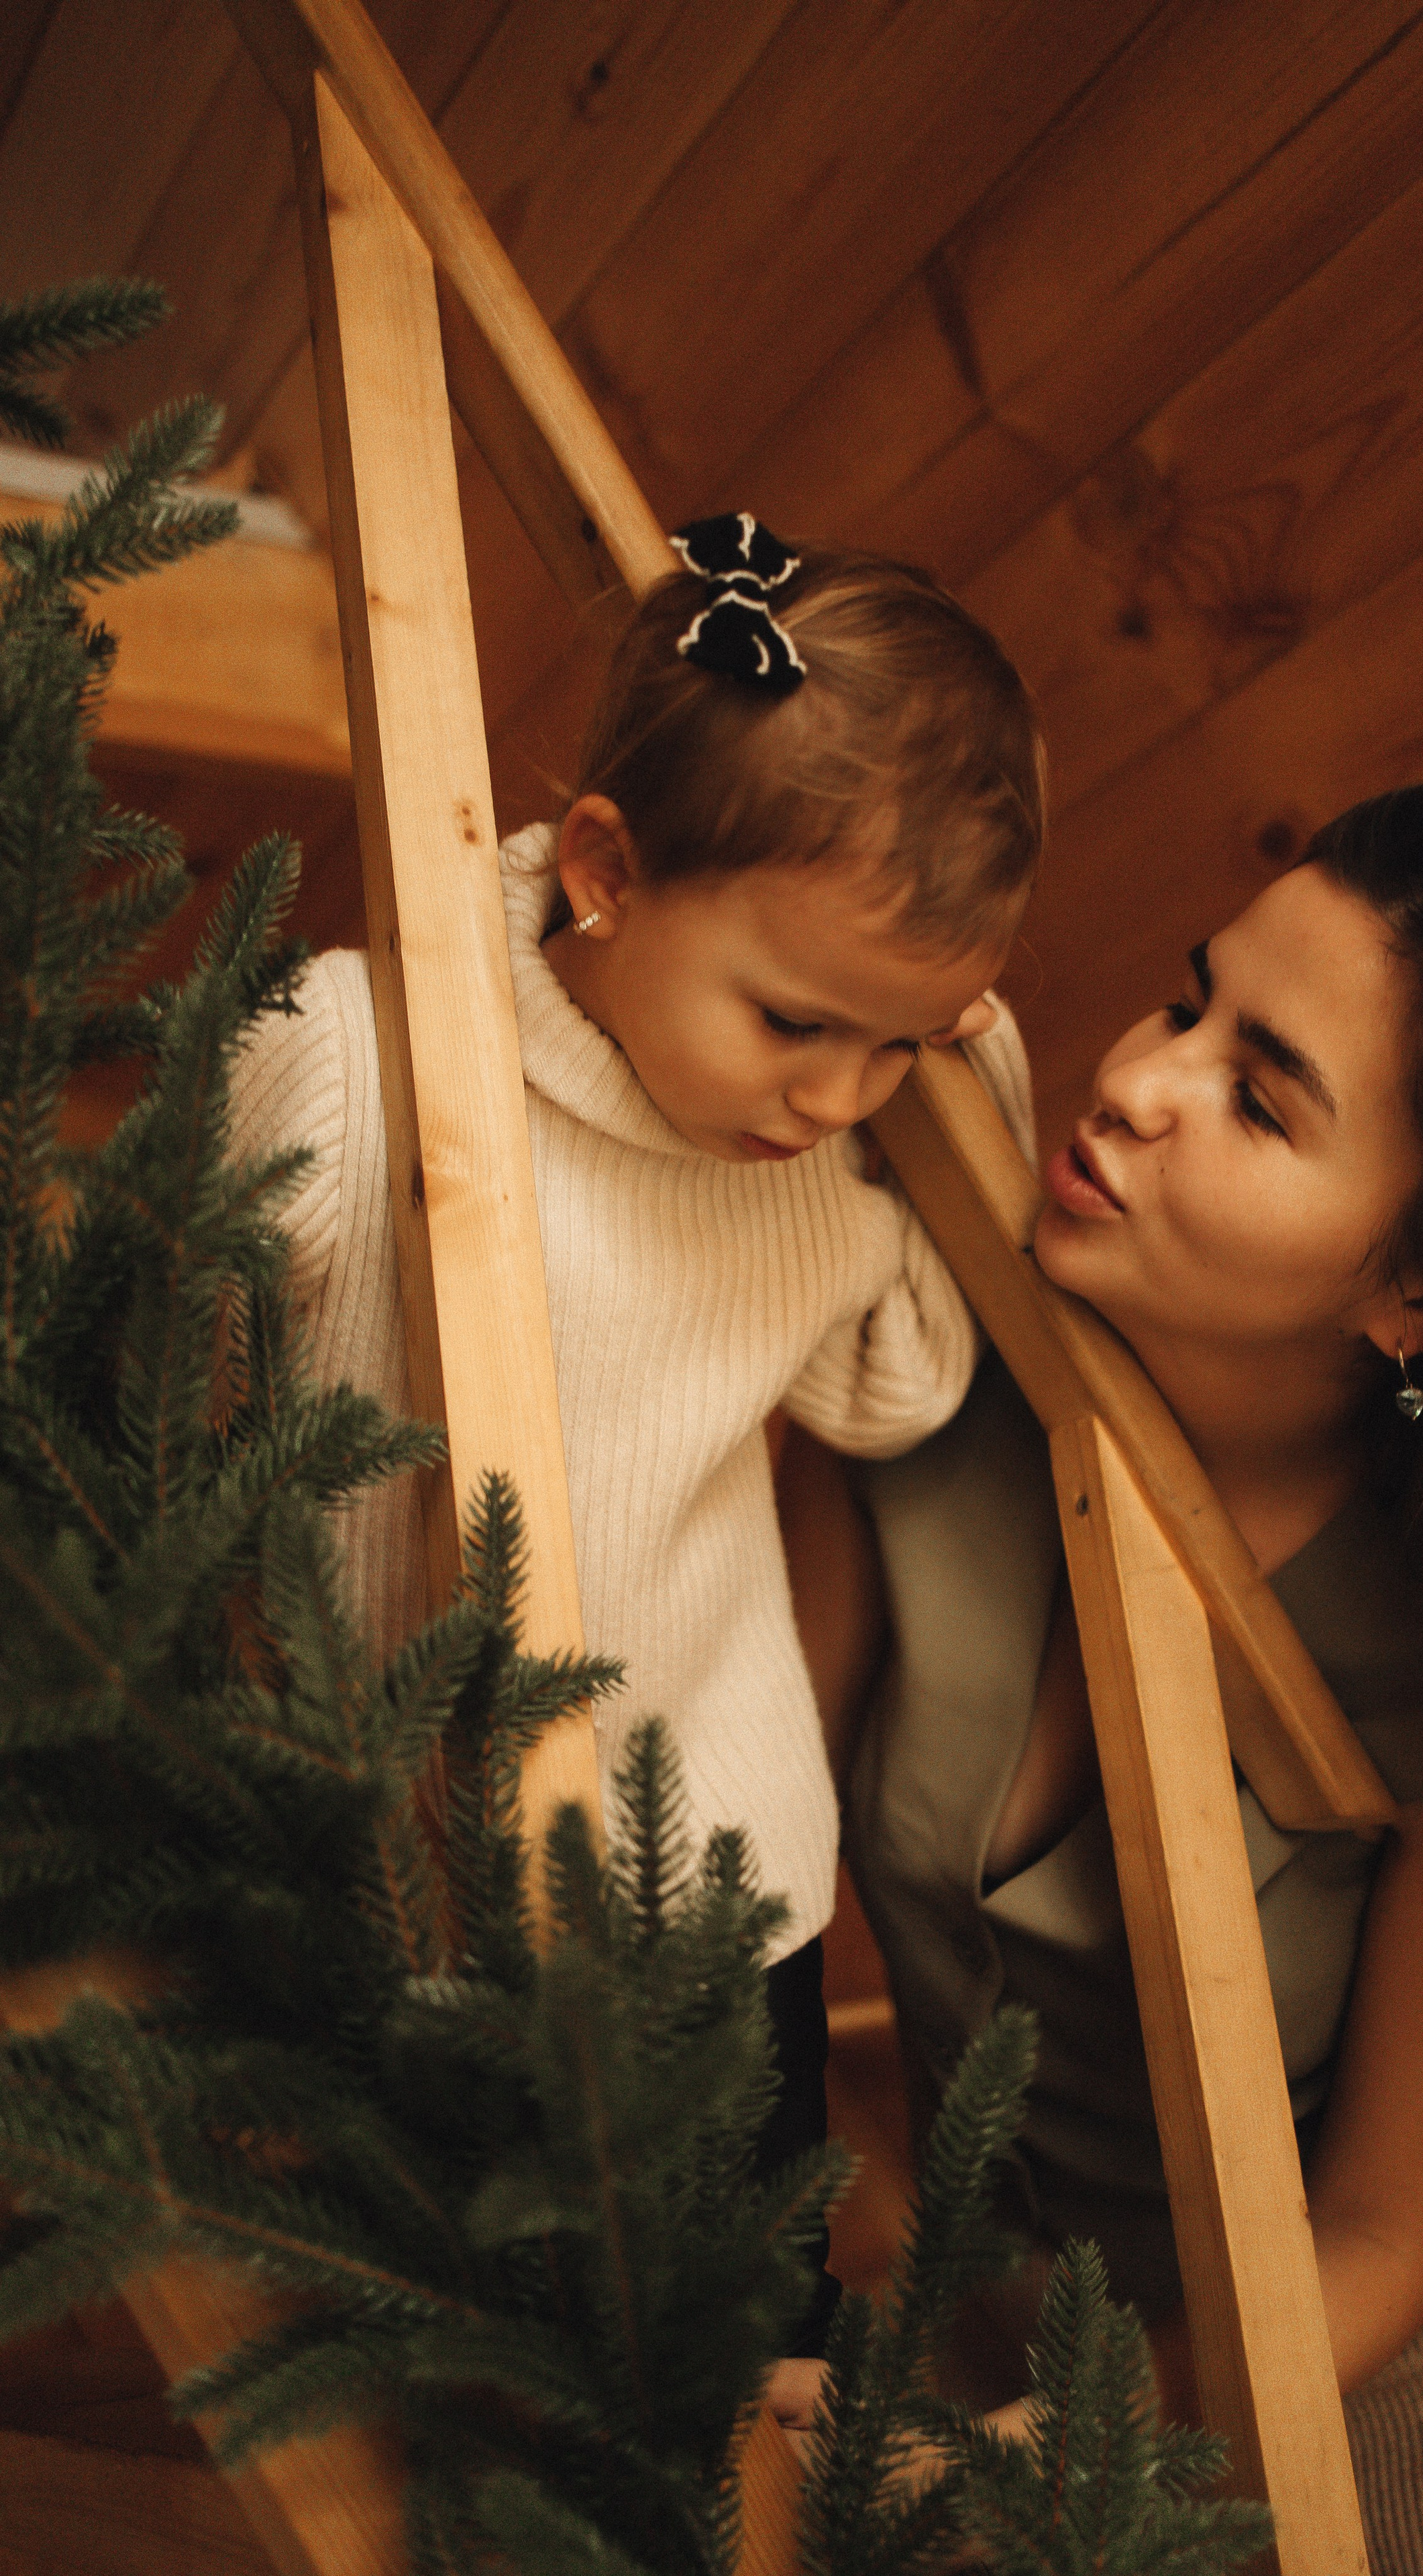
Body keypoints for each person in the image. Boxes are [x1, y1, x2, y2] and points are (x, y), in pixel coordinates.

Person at [808, 783, 1423, 2563]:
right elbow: (723, 1850)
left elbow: (1374, 2240)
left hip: (1416, 2441)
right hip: (1003, 2367)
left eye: (1260, 1098)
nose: (1140, 1080)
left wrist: (1009, 2469)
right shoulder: (907, 1385)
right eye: (1188, 1000)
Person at [230, 513, 1043, 2355]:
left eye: (903, 1045)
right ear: (602, 871)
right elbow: (178, 1348)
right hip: (379, 1826)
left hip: (716, 1859)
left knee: (736, 2318)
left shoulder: (811, 1170)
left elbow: (899, 1385)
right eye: (799, 1020)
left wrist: (971, 1081)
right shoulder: (356, 1054)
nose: (836, 1093)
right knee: (416, 2306)